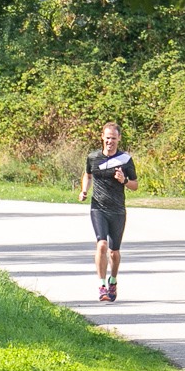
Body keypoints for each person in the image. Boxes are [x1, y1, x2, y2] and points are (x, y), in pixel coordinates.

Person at [78, 121, 138, 302]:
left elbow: (135, 185)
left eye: (113, 138)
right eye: (107, 138)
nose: (110, 141)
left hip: (118, 209)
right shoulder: (93, 157)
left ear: (119, 138)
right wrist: (84, 190)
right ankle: (102, 285)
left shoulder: (125, 160)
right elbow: (87, 175)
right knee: (101, 245)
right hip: (98, 207)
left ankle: (113, 280)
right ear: (102, 137)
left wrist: (124, 180)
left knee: (114, 252)